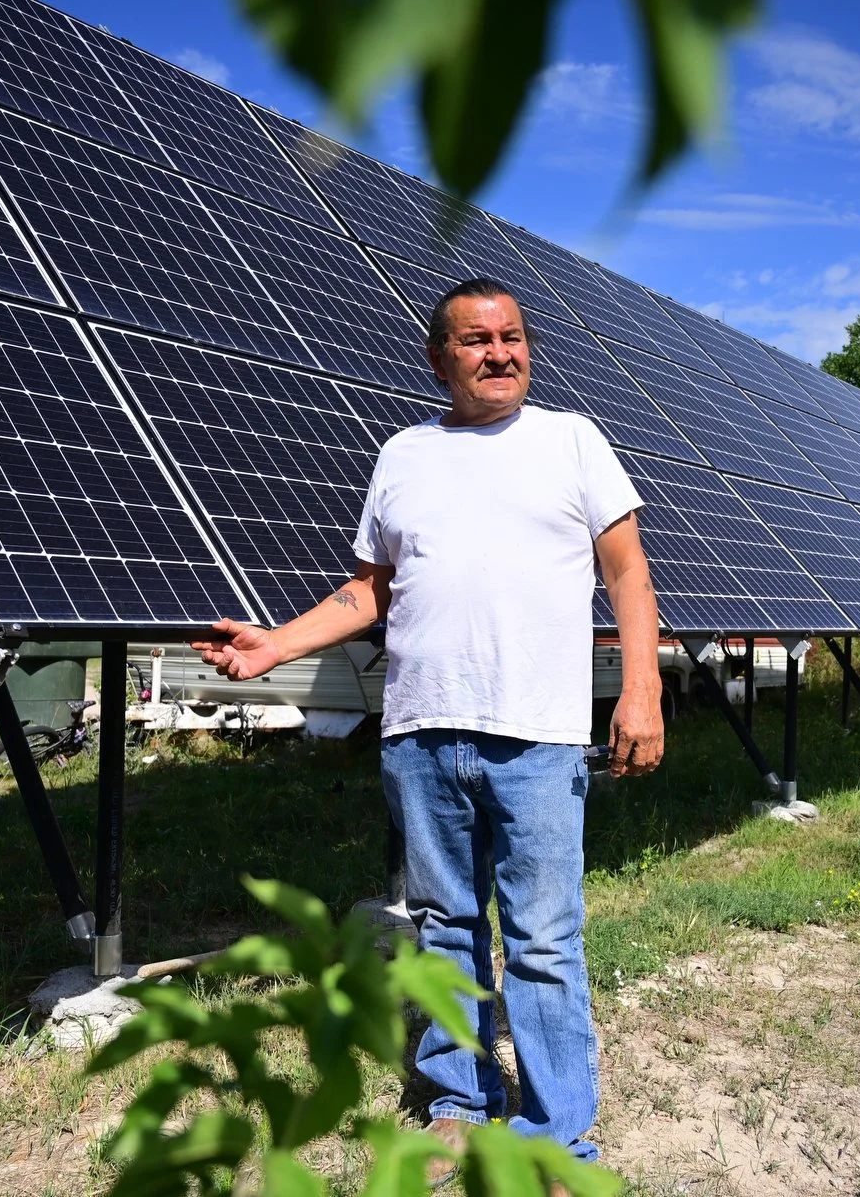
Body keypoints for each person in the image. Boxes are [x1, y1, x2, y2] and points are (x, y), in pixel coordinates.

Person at [192, 278, 664, 1173]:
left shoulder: (572, 439)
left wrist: (640, 689)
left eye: (513, 336)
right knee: (444, 926)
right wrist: (272, 650)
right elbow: (370, 588)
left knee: (542, 940)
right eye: (478, 340)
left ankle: (559, 1137)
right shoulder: (404, 453)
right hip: (420, 735)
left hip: (537, 735)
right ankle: (460, 1101)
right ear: (438, 357)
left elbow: (628, 573)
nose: (501, 353)